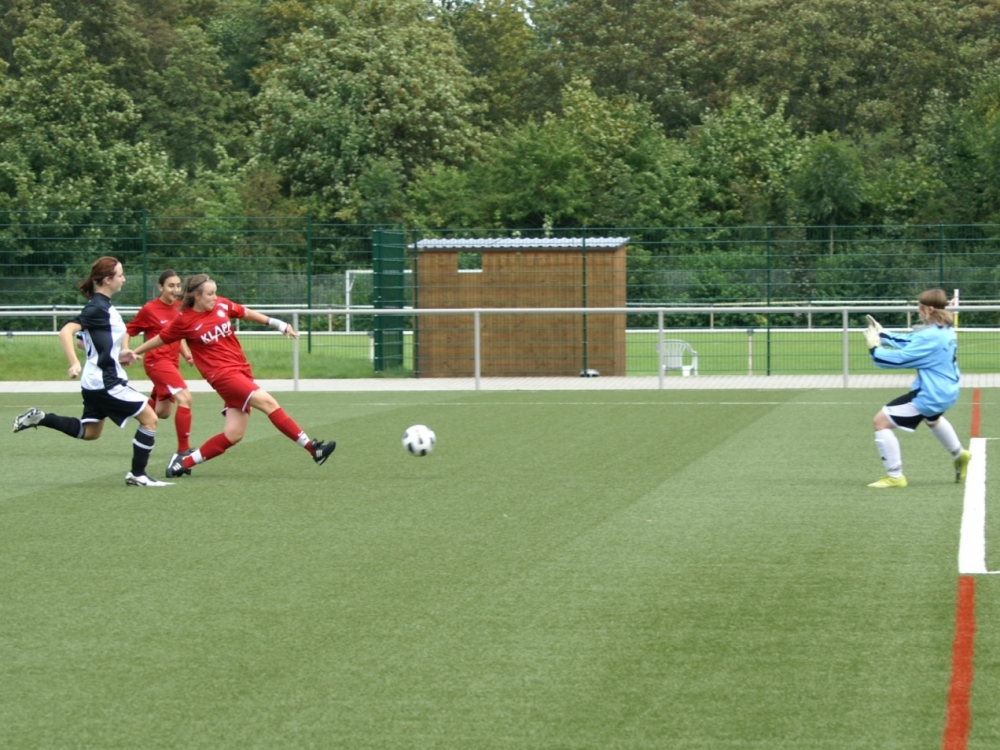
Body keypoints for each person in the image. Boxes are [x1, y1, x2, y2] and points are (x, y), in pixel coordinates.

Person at [122, 274, 335, 477]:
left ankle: (182, 463)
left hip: (241, 371)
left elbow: (246, 312)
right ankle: (312, 448)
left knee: (234, 435)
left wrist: (279, 325)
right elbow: (160, 339)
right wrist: (133, 352)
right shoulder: (184, 321)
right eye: (210, 294)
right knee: (268, 403)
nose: (215, 297)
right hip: (223, 377)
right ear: (196, 296)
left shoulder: (221, 305)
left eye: (215, 293)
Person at [12, 256, 171, 487]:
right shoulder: (97, 307)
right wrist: (74, 363)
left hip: (95, 382)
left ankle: (42, 418)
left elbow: (85, 342)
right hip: (106, 382)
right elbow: (66, 332)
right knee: (150, 418)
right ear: (108, 279)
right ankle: (138, 474)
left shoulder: (104, 307)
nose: (124, 279)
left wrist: (119, 355)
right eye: (120, 275)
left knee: (90, 432)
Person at [864, 288, 972, 488]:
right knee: (933, 419)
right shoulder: (945, 329)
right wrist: (883, 333)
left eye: (920, 307)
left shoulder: (930, 336)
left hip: (930, 395)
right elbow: (911, 341)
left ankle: (895, 476)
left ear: (929, 309)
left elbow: (901, 359)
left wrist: (875, 349)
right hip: (947, 391)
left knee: (880, 422)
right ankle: (959, 454)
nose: (917, 311)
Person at [126, 269, 196, 468]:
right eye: (170, 285)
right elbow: (129, 330)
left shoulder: (179, 307)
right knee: (186, 398)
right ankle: (183, 450)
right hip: (157, 362)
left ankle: (124, 404)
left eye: (177, 285)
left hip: (171, 363)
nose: (175, 289)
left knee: (161, 413)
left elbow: (175, 334)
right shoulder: (150, 309)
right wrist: (126, 349)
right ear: (160, 287)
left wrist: (186, 353)